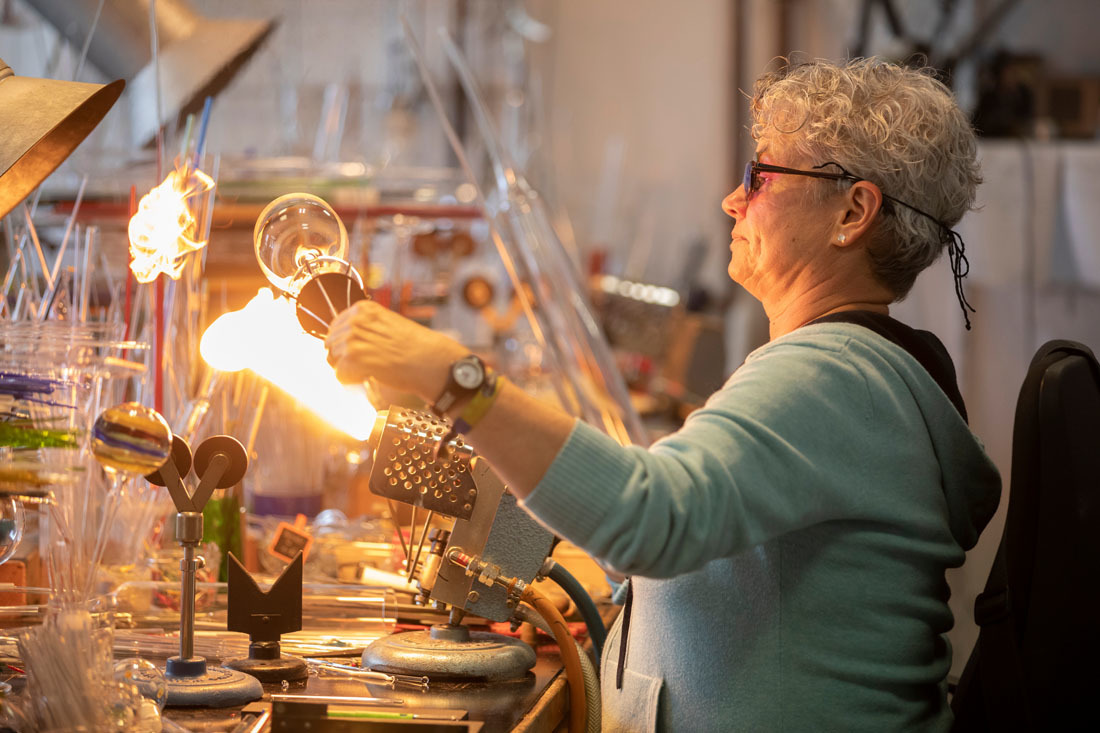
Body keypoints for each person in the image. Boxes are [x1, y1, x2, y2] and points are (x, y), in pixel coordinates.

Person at [325, 57, 1001, 732]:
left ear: (853, 211)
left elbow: (650, 517)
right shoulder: (859, 370)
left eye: (762, 175)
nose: (733, 200)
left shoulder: (832, 375)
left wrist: (456, 381)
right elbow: (724, 551)